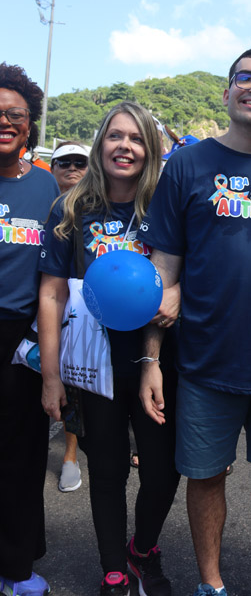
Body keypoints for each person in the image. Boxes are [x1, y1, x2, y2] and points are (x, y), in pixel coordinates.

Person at [138, 48, 251, 596]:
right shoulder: (186, 166)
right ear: (227, 92)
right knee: (205, 476)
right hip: (205, 360)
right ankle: (211, 585)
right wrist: (151, 358)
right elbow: (164, 270)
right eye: (247, 77)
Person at [38, 101, 180, 596]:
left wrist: (179, 293)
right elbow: (52, 293)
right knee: (108, 468)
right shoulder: (71, 207)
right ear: (101, 144)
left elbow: (193, 267)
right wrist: (51, 376)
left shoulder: (166, 204)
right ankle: (114, 568)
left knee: (162, 470)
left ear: (151, 149)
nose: (125, 146)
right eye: (116, 136)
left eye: (137, 138)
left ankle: (142, 549)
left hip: (158, 359)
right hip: (93, 361)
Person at [0, 63, 59, 596]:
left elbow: (55, 274)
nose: (4, 121)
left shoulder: (47, 187)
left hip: (21, 337)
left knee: (21, 455)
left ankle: (16, 568)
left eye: (14, 113)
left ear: (30, 123)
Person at [49, 140, 90, 493]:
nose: (72, 168)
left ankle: (70, 456)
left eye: (80, 162)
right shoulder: (41, 203)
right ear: (52, 168)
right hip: (33, 309)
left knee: (72, 388)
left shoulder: (94, 210)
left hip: (75, 314)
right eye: (65, 162)